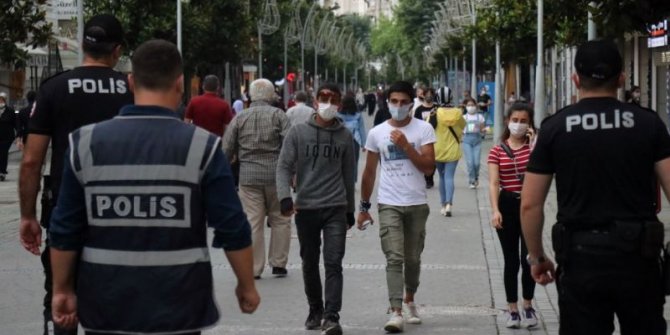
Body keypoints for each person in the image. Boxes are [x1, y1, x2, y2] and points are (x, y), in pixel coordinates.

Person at [47, 39, 259, 335]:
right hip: (180, 306)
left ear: (130, 81)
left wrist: (61, 290)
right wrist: (246, 285)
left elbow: (64, 228)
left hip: (106, 304)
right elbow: (232, 227)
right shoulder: (204, 147)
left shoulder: (84, 143)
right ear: (180, 84)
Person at [521, 39, 670, 335]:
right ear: (622, 79)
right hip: (639, 259)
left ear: (575, 79)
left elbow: (530, 205)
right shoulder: (648, 124)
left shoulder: (555, 127)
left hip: (580, 258)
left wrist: (537, 257)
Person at [18, 14, 134, 335]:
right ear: (117, 51)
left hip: (64, 208)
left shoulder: (54, 88)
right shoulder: (130, 89)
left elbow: (31, 160)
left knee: (59, 296)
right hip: (120, 211)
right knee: (113, 301)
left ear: (84, 46)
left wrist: (27, 215)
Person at [277, 83, 355, 335]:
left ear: (339, 104)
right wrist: (284, 198)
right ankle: (315, 309)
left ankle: (332, 316)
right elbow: (283, 166)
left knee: (334, 262)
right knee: (309, 261)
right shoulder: (298, 133)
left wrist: (350, 211)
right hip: (306, 207)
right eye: (324, 98)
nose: (328, 103)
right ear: (314, 101)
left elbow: (348, 176)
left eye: (333, 99)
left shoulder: (345, 136)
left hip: (335, 207)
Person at [359, 81, 436, 333]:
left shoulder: (423, 129)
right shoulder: (377, 132)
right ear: (387, 102)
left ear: (411, 103)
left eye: (404, 102)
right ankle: (395, 311)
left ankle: (410, 298)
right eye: (394, 101)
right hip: (389, 203)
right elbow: (369, 172)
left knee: (413, 258)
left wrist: (405, 146)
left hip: (416, 203)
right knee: (394, 257)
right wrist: (363, 206)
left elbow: (429, 167)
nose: (399, 106)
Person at [222, 78, 291, 279]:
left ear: (251, 95)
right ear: (271, 96)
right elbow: (289, 145)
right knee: (281, 219)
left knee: (253, 221)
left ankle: (254, 267)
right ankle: (278, 263)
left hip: (249, 177)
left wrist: (224, 171)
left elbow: (226, 148)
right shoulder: (279, 116)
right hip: (277, 176)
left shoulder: (240, 118)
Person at [488, 102, 537, 328]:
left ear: (530, 124)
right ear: (507, 121)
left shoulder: (534, 147)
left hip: (529, 206)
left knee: (529, 259)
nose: (518, 124)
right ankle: (513, 309)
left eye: (523, 120)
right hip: (507, 204)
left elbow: (542, 173)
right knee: (511, 261)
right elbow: (493, 182)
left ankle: (528, 306)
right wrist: (495, 209)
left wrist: (535, 145)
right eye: (514, 120)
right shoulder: (497, 150)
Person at [430, 105, 465, 217]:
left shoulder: (434, 113)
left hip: (437, 149)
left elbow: (428, 128)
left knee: (441, 176)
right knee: (449, 177)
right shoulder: (458, 113)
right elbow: (463, 126)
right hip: (453, 149)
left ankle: (443, 205)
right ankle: (449, 204)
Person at [337, 94, 367, 182]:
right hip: (355, 141)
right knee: (354, 162)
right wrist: (364, 144)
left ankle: (342, 179)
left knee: (341, 161)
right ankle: (352, 180)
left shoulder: (338, 115)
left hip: (340, 140)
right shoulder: (358, 115)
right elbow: (362, 129)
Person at [414, 87, 437, 189]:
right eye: (426, 94)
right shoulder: (419, 109)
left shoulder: (437, 108)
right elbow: (415, 123)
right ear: (423, 95)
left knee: (433, 158)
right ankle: (426, 176)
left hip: (436, 136)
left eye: (431, 94)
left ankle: (430, 177)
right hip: (422, 137)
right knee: (424, 157)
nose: (429, 96)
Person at [462, 97, 486, 189]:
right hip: (467, 141)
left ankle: (476, 177)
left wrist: (483, 130)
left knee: (476, 163)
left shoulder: (480, 117)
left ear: (476, 106)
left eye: (472, 105)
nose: (471, 107)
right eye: (468, 105)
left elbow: (484, 130)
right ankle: (471, 181)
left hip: (477, 141)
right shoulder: (463, 117)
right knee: (470, 162)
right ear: (465, 106)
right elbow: (459, 129)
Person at [0, 93, 17, 181]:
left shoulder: (10, 110)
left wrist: (18, 135)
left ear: (5, 101)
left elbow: (15, 123)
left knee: (3, 153)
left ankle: (2, 172)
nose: (0, 101)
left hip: (7, 137)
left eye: (2, 100)